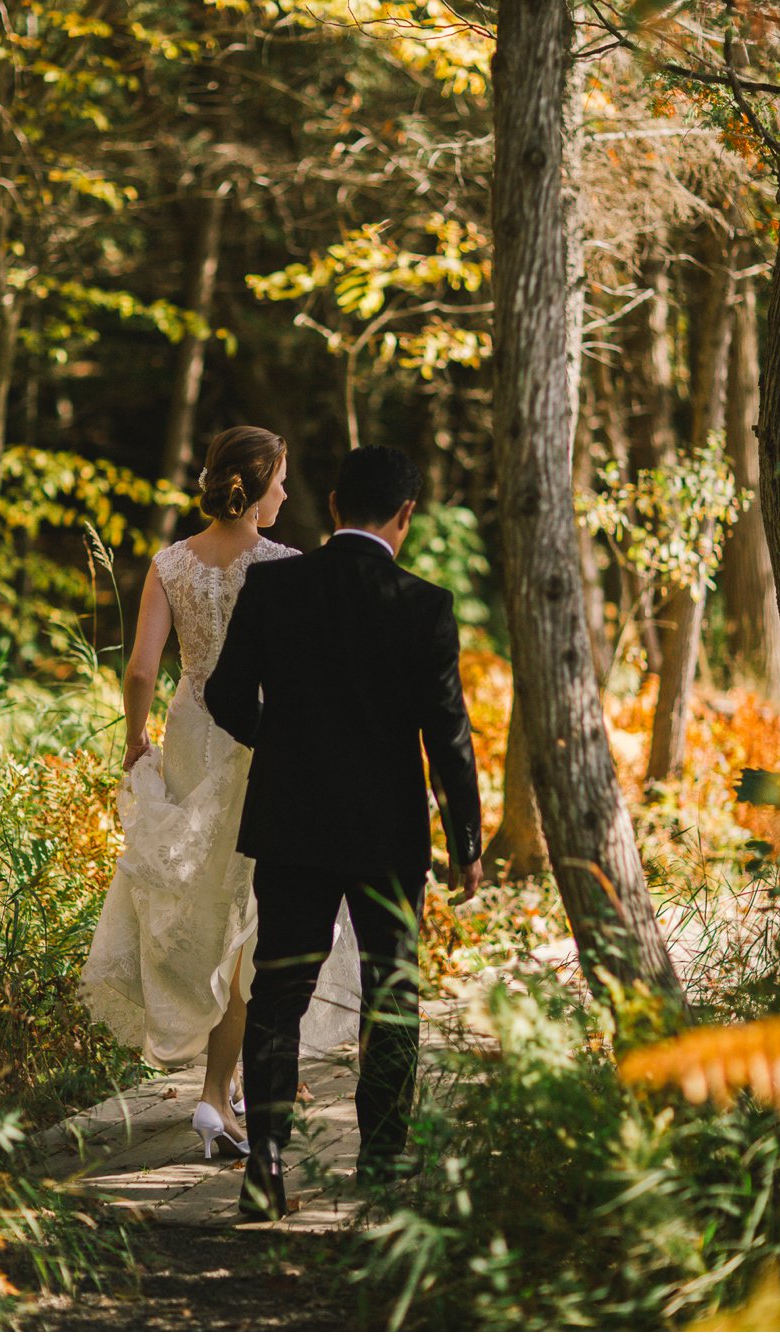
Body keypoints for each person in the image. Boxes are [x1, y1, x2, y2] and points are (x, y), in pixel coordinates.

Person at [205, 444, 482, 1223]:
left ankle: (264, 1168)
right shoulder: (423, 603)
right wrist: (467, 840)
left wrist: (281, 744)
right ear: (406, 516)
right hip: (387, 835)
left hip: (290, 823)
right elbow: (448, 733)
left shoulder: (272, 585)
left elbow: (224, 695)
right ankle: (385, 1171)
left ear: (331, 506)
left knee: (278, 993)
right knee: (392, 996)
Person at [81, 426, 360, 1164]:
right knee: (249, 911)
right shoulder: (285, 565)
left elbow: (142, 669)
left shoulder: (170, 562)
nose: (288, 495)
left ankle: (218, 1086)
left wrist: (135, 739)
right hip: (257, 742)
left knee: (200, 901)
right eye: (282, 483)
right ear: (258, 482)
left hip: (190, 733)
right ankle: (215, 1092)